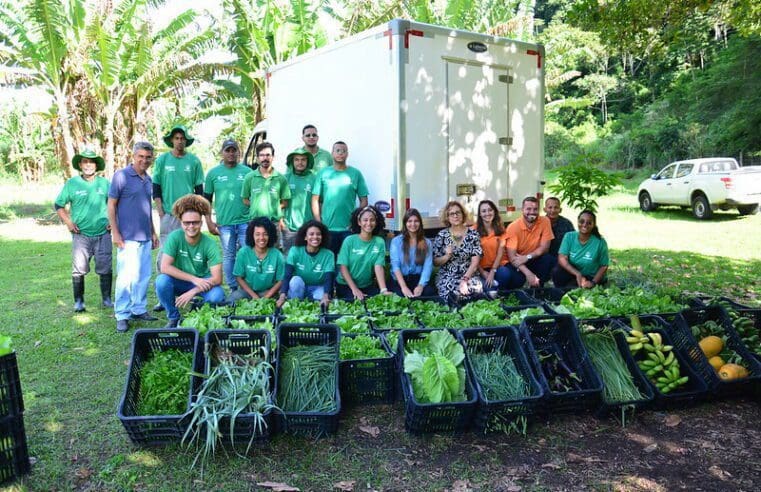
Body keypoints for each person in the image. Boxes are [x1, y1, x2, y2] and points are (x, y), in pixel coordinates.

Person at [152, 124, 206, 312]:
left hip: (189, 215)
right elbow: (156, 187)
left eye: (182, 138)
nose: (179, 141)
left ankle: (193, 291)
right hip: (168, 215)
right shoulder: (162, 161)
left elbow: (199, 190)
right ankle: (163, 296)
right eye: (176, 138)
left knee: (189, 252)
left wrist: (200, 214)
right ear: (172, 141)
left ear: (186, 141)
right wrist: (160, 212)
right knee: (165, 253)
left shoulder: (194, 161)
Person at [108, 142, 159, 333]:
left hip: (145, 235)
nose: (144, 160)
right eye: (141, 156)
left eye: (148, 157)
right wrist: (115, 232)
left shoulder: (148, 180)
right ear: (134, 156)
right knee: (126, 277)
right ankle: (122, 314)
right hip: (127, 237)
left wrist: (153, 232)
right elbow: (111, 205)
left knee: (143, 275)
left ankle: (138, 309)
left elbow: (147, 209)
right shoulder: (121, 176)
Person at [55, 147, 112, 312]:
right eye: (85, 162)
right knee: (79, 268)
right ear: (80, 164)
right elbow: (59, 205)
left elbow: (114, 204)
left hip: (103, 233)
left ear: (96, 165)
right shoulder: (72, 184)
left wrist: (112, 221)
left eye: (91, 162)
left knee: (105, 266)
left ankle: (107, 299)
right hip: (81, 235)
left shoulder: (105, 183)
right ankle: (79, 301)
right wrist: (68, 222)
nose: (88, 165)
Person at [155, 195, 225, 328]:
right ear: (181, 222)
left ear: (201, 222)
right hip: (181, 281)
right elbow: (165, 267)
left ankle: (201, 316)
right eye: (187, 223)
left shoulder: (209, 243)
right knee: (161, 281)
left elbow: (217, 279)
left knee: (217, 295)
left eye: (195, 222)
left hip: (203, 283)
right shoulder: (174, 237)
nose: (191, 226)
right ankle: (173, 317)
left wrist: (193, 290)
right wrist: (194, 279)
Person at [203, 139, 253, 292]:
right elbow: (207, 199)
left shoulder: (247, 172)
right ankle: (233, 287)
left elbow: (254, 196)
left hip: (246, 221)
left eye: (234, 150)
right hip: (225, 223)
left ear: (239, 152)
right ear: (222, 152)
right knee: (229, 255)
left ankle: (249, 285)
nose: (231, 153)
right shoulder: (213, 173)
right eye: (228, 150)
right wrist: (209, 222)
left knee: (248, 254)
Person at [311, 141, 369, 255]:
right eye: (337, 150)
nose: (340, 153)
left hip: (348, 229)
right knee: (329, 261)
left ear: (347, 154)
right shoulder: (323, 173)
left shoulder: (355, 173)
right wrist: (319, 222)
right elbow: (314, 199)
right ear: (332, 153)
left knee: (347, 261)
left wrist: (355, 220)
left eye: (343, 151)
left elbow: (364, 201)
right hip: (328, 229)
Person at [335, 206, 390, 300]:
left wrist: (383, 290)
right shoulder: (349, 241)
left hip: (366, 286)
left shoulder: (379, 242)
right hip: (346, 285)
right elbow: (343, 267)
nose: (369, 223)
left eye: (372, 220)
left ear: (376, 222)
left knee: (378, 303)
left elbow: (378, 267)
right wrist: (355, 289)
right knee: (357, 304)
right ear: (359, 222)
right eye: (365, 220)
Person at [241, 142, 291, 244]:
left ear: (273, 157)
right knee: (255, 253)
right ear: (258, 158)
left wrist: (273, 208)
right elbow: (245, 199)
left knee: (274, 252)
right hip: (255, 222)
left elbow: (285, 202)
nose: (265, 158)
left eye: (268, 155)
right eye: (262, 155)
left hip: (274, 223)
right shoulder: (249, 177)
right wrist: (257, 205)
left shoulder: (281, 178)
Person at [277, 220, 335, 306]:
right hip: (300, 287)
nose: (315, 237)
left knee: (321, 298)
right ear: (305, 237)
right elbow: (287, 275)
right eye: (311, 234)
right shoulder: (295, 251)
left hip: (318, 287)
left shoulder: (328, 254)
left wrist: (326, 295)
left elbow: (328, 278)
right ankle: (295, 307)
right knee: (295, 281)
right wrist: (282, 295)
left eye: (318, 234)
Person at [227, 217, 285, 303]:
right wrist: (254, 296)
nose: (261, 238)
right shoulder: (243, 252)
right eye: (257, 234)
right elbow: (238, 277)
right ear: (252, 235)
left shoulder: (277, 255)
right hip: (247, 292)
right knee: (232, 299)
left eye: (265, 234)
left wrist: (266, 297)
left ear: (270, 235)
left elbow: (281, 280)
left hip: (268, 292)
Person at [432, 201, 483, 299]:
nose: (455, 216)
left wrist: (465, 280)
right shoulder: (442, 235)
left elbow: (475, 262)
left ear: (463, 215)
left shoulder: (473, 234)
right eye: (452, 214)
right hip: (448, 275)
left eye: (458, 212)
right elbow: (435, 262)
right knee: (452, 293)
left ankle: (469, 313)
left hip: (469, 275)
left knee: (473, 291)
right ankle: (453, 313)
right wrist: (447, 256)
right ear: (447, 217)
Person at [503, 197, 555, 288]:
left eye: (535, 209)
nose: (532, 212)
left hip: (531, 258)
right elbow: (512, 257)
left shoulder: (545, 221)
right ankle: (511, 295)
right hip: (517, 260)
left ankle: (538, 289)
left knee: (548, 259)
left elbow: (545, 248)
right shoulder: (513, 227)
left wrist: (527, 257)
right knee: (518, 279)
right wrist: (529, 274)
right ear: (522, 210)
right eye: (528, 209)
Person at [552, 210, 609, 288]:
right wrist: (577, 274)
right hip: (574, 272)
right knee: (557, 271)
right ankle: (560, 290)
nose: (584, 225)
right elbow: (561, 258)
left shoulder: (600, 242)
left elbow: (604, 266)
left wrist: (593, 282)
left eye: (589, 223)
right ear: (577, 222)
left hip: (591, 276)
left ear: (593, 225)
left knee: (573, 290)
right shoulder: (569, 236)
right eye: (582, 221)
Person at [389, 208, 435, 298]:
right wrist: (404, 287)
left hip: (417, 279)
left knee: (429, 293)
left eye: (416, 221)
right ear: (405, 223)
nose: (413, 224)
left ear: (420, 223)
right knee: (399, 296)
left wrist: (420, 286)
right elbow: (395, 266)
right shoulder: (396, 241)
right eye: (409, 221)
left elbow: (427, 267)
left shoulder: (427, 242)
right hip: (400, 280)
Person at [282, 149, 315, 253]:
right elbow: (278, 202)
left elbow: (319, 202)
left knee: (307, 258)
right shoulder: (285, 178)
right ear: (292, 162)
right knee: (289, 258)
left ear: (308, 162)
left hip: (308, 227)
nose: (300, 163)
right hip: (289, 227)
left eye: (303, 160)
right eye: (297, 160)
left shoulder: (314, 179)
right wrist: (281, 221)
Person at [474, 199, 510, 290]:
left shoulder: (500, 229)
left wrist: (492, 271)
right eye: (483, 211)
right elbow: (472, 255)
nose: (487, 213)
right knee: (488, 290)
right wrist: (482, 272)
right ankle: (493, 290)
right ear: (480, 214)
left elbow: (500, 253)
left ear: (494, 211)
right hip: (480, 268)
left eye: (490, 210)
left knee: (506, 274)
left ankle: (500, 292)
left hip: (496, 266)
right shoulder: (473, 230)